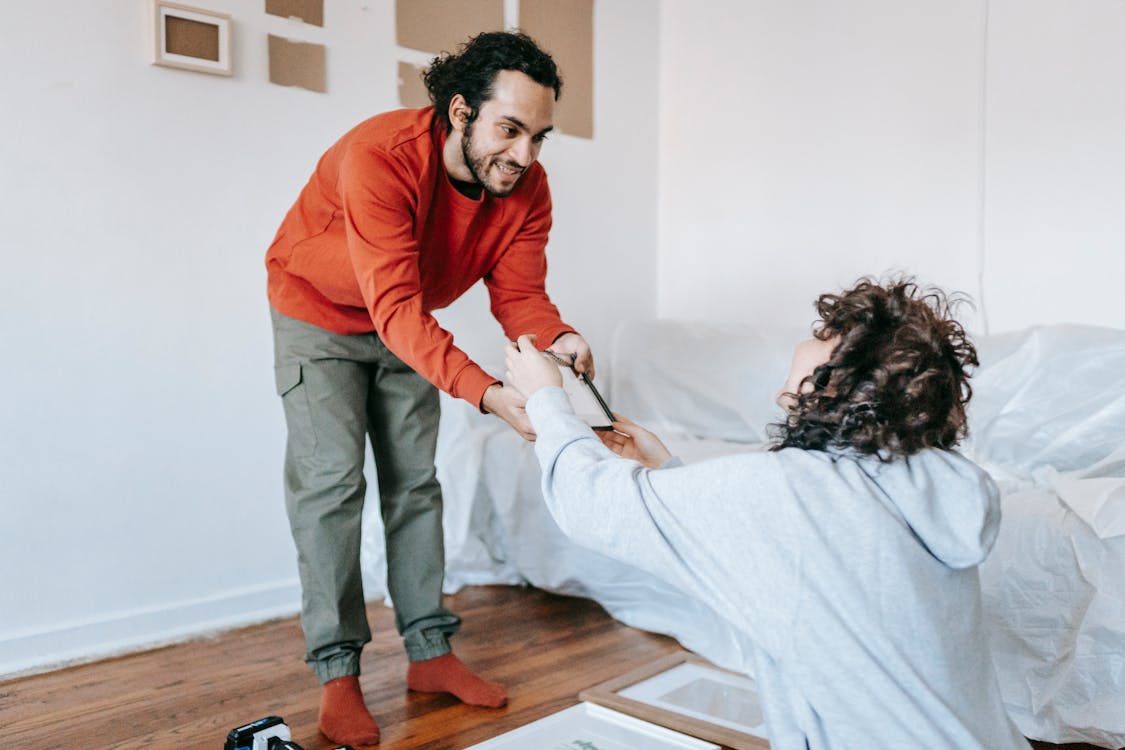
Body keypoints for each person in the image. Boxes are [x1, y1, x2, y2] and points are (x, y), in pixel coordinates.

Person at [504, 278, 1031, 749]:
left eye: (831, 334)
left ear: (843, 379)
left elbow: (592, 504)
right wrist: (665, 468)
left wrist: (548, 400)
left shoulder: (789, 488)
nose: (813, 339)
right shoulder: (924, 480)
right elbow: (781, 548)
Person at [266, 31, 593, 746]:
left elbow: (519, 296)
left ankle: (429, 654)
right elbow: (394, 308)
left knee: (416, 484)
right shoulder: (379, 157)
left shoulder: (526, 188)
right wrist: (485, 394)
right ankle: (338, 674)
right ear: (460, 112)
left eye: (539, 136)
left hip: (406, 323)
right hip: (318, 318)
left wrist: (558, 336)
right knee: (331, 489)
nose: (525, 155)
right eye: (510, 129)